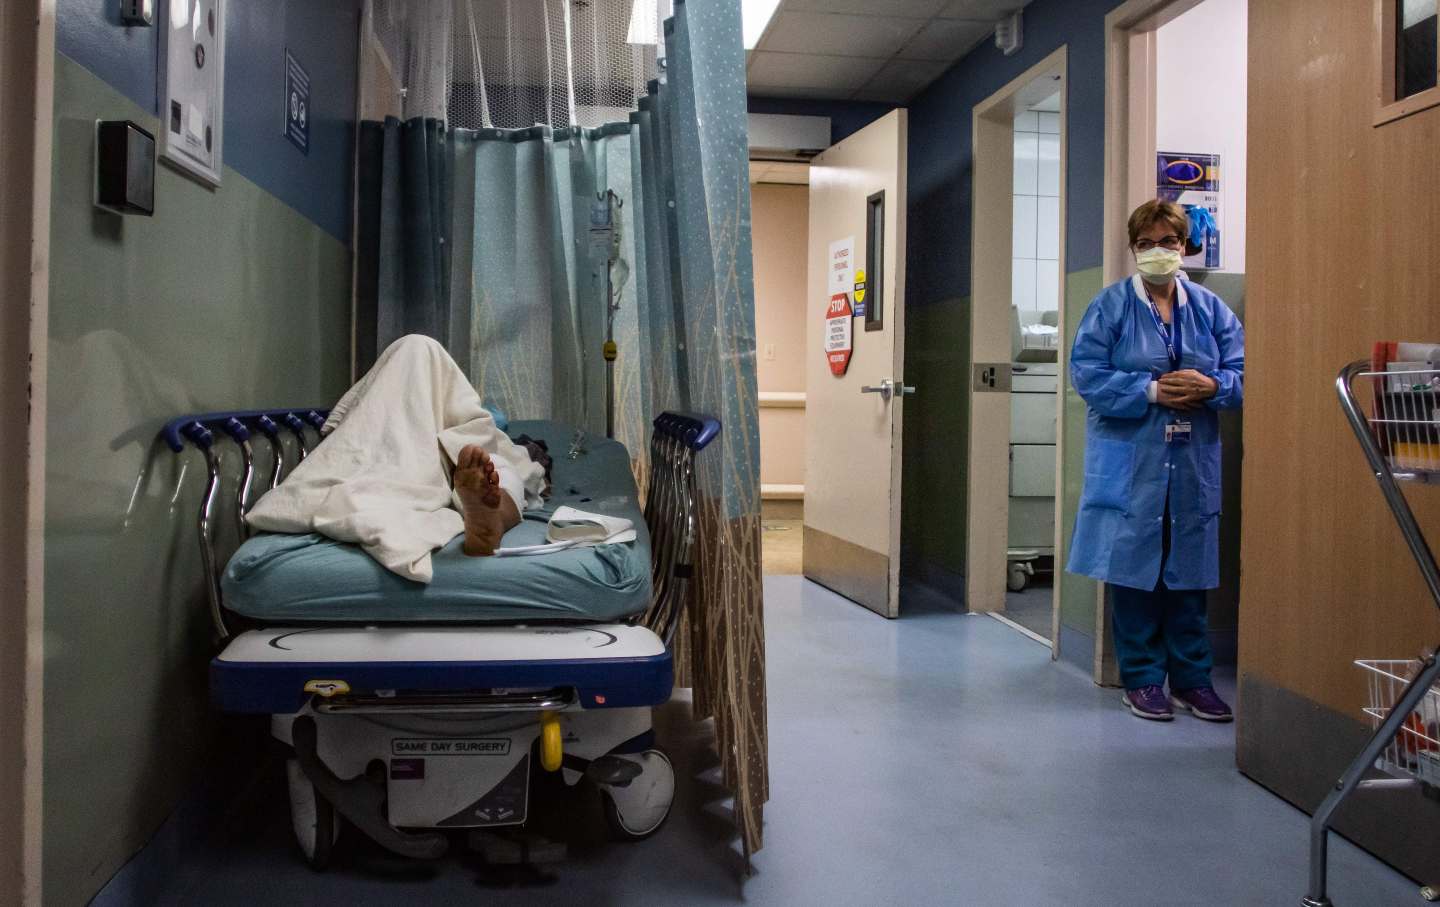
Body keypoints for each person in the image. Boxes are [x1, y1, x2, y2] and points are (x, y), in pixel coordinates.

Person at [1066, 199, 1245, 722]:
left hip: (1192, 464)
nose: (1158, 252)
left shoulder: (1212, 311)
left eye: (1168, 242)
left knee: (1188, 574)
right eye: (1146, 244)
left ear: (1185, 247)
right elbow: (1088, 375)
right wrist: (1150, 392)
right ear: (1133, 249)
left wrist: (1212, 385)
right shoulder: (1111, 307)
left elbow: (1244, 374)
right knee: (1134, 570)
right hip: (1131, 463)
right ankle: (1142, 678)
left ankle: (1194, 680)